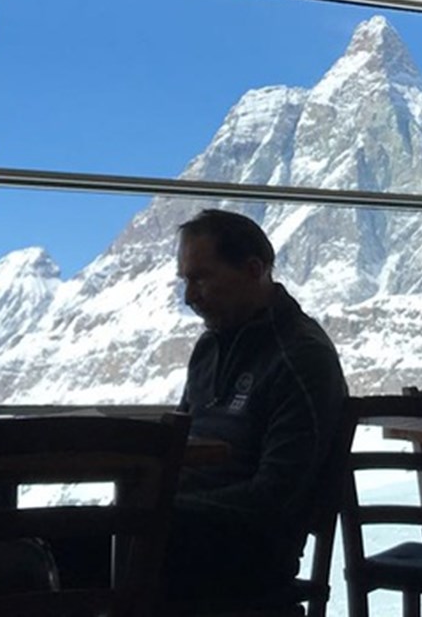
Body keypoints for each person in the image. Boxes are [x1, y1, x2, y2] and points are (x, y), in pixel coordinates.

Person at [167, 208, 347, 605]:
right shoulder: (208, 349)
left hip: (248, 553)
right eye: (185, 281)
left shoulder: (301, 356)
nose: (189, 297)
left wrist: (162, 511)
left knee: (56, 557)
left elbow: (276, 497)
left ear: (253, 270)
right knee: (48, 548)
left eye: (201, 279)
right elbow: (176, 449)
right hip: (182, 532)